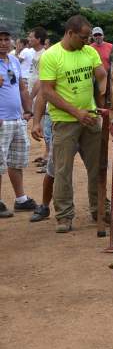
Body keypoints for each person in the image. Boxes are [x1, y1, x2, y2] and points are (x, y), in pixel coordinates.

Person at [34, 15, 106, 232]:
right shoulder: (52, 56)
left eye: (88, 37)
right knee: (63, 171)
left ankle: (100, 210)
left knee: (97, 167)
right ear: (70, 33)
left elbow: (101, 75)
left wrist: (102, 92)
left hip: (91, 119)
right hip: (65, 122)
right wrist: (76, 112)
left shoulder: (89, 52)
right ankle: (64, 216)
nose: (87, 41)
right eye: (83, 37)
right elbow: (46, 91)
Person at [0, 25, 38, 218]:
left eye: (6, 39)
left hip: (16, 119)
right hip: (1, 121)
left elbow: (22, 88)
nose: (3, 43)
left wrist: (28, 110)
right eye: (0, 40)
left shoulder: (14, 60)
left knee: (16, 161)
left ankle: (20, 199)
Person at [27, 27, 48, 168]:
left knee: (46, 127)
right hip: (36, 97)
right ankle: (47, 154)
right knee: (43, 126)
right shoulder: (36, 54)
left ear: (38, 39)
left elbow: (41, 79)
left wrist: (31, 96)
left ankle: (49, 157)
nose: (28, 39)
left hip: (41, 97)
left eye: (31, 37)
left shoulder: (44, 55)